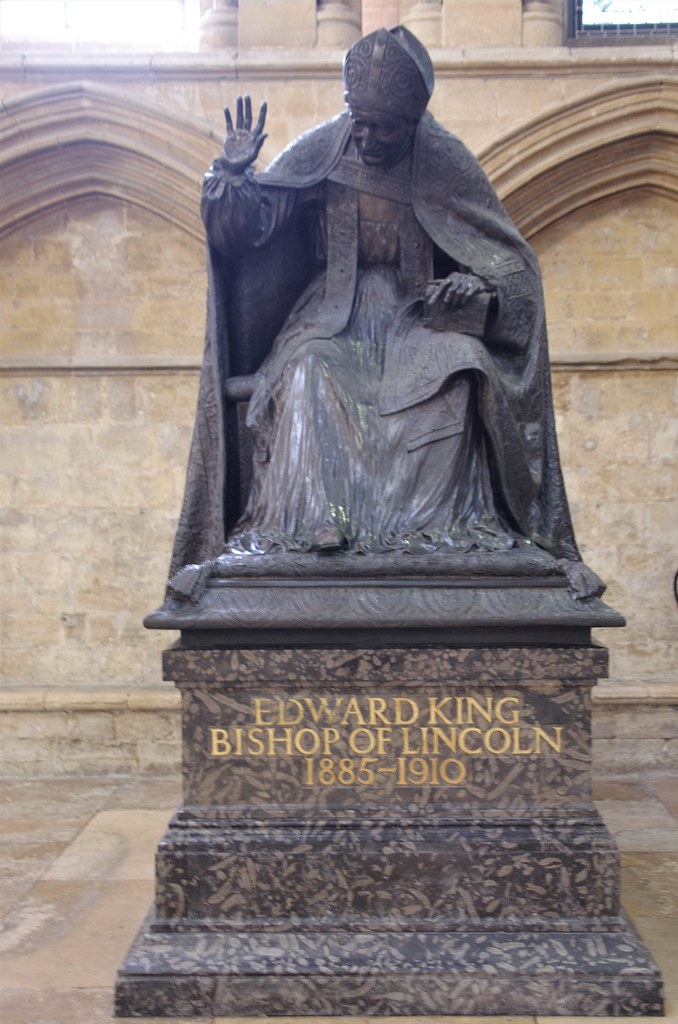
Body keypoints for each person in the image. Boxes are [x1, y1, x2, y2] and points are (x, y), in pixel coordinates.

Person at [169, 26, 597, 598]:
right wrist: (232, 177)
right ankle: (316, 522)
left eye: (384, 127)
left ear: (413, 121)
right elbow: (248, 232)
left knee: (463, 368)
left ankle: (441, 528)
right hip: (330, 316)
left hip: (412, 318)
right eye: (359, 119)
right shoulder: (328, 145)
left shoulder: (443, 160)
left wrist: (475, 293)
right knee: (310, 371)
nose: (366, 136)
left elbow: (512, 266)